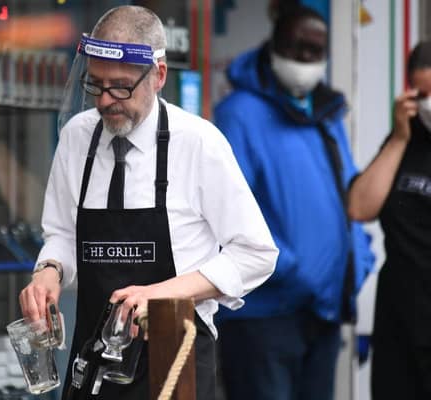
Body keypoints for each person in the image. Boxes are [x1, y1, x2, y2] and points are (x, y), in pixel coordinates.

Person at [18, 5, 279, 399]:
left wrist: (162, 293)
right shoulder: (77, 137)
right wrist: (49, 272)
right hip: (92, 361)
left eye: (121, 87)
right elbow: (61, 235)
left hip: (174, 358)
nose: (105, 101)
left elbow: (256, 254)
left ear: (158, 76)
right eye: (95, 84)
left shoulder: (198, 143)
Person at [213, 5, 375, 400]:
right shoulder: (239, 114)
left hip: (323, 310)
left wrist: (360, 256)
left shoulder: (327, 113)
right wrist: (296, 271)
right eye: (297, 47)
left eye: (315, 51)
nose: (305, 59)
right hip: (265, 316)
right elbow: (229, 211)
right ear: (273, 46)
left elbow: (347, 192)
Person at [348, 41, 431, 400]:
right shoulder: (406, 139)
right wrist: (399, 137)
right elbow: (359, 207)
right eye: (423, 92)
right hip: (402, 317)